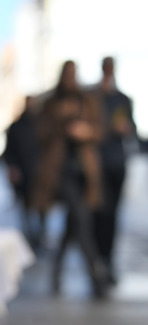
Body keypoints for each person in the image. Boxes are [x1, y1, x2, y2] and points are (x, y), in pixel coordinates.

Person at [31, 60, 109, 298]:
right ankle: (96, 274)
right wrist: (60, 121)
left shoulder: (88, 101)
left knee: (73, 224)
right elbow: (40, 134)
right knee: (81, 218)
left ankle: (57, 269)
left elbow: (101, 130)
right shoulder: (51, 104)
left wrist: (85, 131)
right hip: (59, 172)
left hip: (84, 171)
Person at [91, 57, 135, 285]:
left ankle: (106, 261)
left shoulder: (122, 99)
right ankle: (97, 261)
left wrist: (125, 128)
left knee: (112, 217)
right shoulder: (95, 97)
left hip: (116, 165)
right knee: (98, 215)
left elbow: (131, 127)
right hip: (97, 166)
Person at [3, 96, 44, 249]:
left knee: (41, 207)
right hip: (23, 174)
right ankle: (31, 237)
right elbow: (9, 152)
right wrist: (13, 168)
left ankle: (39, 236)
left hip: (38, 174)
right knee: (26, 207)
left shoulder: (40, 124)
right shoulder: (16, 127)